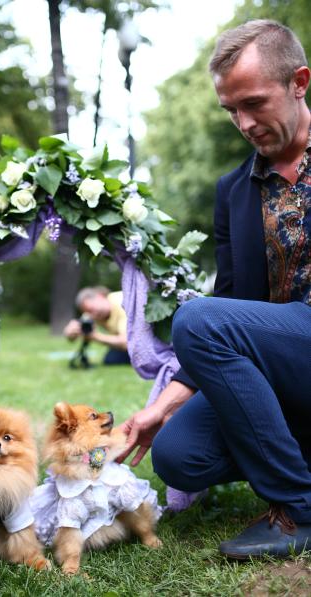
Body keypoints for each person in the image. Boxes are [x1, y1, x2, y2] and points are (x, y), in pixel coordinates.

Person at [118, 19, 311, 559]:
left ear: (299, 81)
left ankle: (298, 507)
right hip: (280, 364)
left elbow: (209, 321)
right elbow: (230, 306)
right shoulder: (233, 192)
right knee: (179, 455)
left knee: (198, 317)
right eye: (231, 111)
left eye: (254, 103)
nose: (244, 123)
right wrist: (162, 407)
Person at [64, 286, 130, 365]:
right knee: (111, 359)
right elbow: (79, 330)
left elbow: (128, 343)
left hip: (140, 341)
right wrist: (70, 334)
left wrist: (95, 336)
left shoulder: (121, 302)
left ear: (99, 296)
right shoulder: (99, 315)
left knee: (114, 358)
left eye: (91, 309)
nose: (93, 315)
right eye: (88, 313)